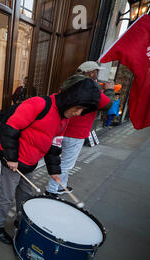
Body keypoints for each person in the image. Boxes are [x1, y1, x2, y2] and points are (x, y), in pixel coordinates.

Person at [0, 77, 101, 244]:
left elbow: (53, 146)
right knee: (7, 196)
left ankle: (22, 219)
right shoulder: (39, 104)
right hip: (14, 162)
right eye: (77, 108)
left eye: (82, 110)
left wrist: (54, 171)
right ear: (70, 99)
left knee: (26, 194)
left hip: (30, 163)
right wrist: (11, 158)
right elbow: (10, 127)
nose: (78, 113)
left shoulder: (64, 118)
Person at [44, 61, 115, 197]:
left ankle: (61, 186)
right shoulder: (90, 87)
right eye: (97, 72)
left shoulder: (68, 84)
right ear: (92, 72)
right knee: (66, 163)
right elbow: (107, 105)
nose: (97, 75)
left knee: (60, 159)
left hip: (61, 128)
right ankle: (52, 190)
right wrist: (110, 90)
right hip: (76, 132)